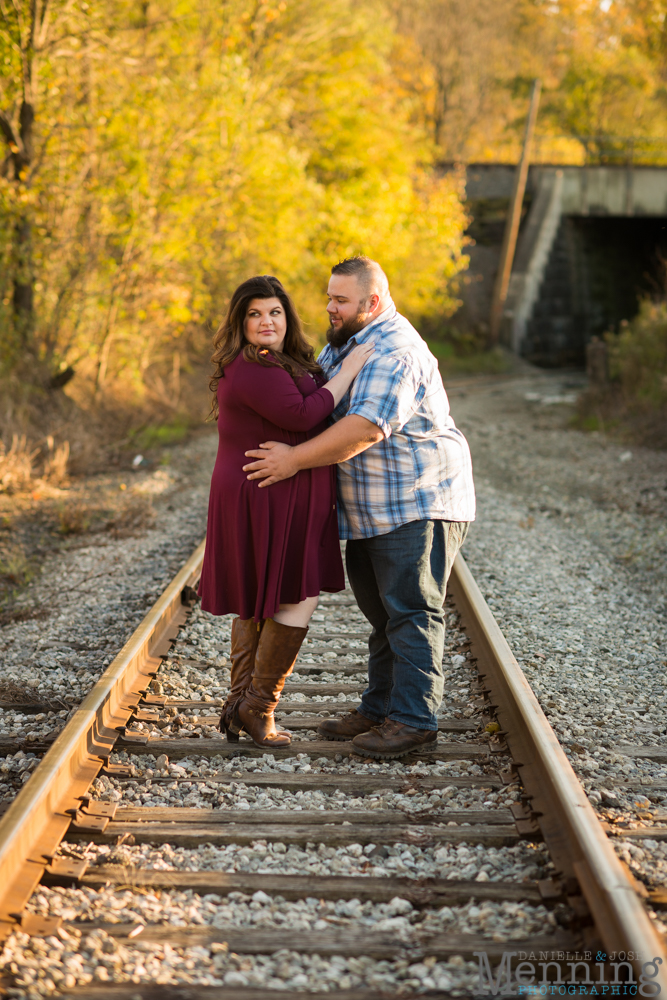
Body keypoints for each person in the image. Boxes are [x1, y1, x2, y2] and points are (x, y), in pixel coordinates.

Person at [243, 256, 476, 759]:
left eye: (340, 300)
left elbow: (363, 429)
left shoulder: (393, 351)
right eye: (329, 297)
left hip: (417, 501)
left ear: (372, 302)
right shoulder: (347, 343)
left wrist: (292, 462)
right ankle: (379, 708)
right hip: (372, 508)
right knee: (381, 613)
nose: (329, 307)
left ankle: (413, 721)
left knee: (411, 611)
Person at [198, 274, 373, 749]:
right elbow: (302, 415)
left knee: (263, 594)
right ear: (241, 322)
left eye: (273, 311)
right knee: (296, 594)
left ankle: (242, 705)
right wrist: (350, 368)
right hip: (268, 492)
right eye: (254, 314)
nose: (265, 321)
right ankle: (256, 707)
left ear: (286, 316)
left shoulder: (278, 360)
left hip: (275, 490)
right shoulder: (253, 365)